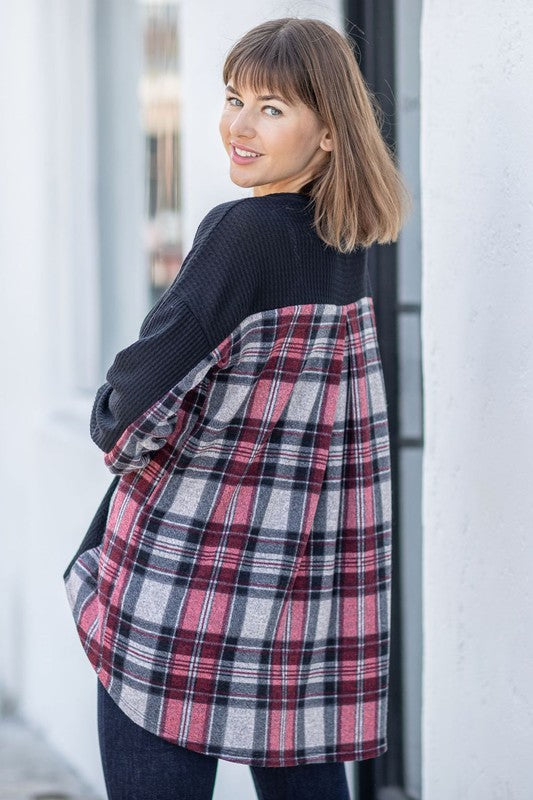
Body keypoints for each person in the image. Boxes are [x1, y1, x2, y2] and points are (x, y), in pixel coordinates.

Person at [63, 15, 411, 800]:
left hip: (191, 588)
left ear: (327, 133)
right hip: (298, 599)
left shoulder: (242, 232)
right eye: (233, 98)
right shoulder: (346, 246)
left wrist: (105, 414)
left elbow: (135, 408)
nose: (238, 125)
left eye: (272, 107)